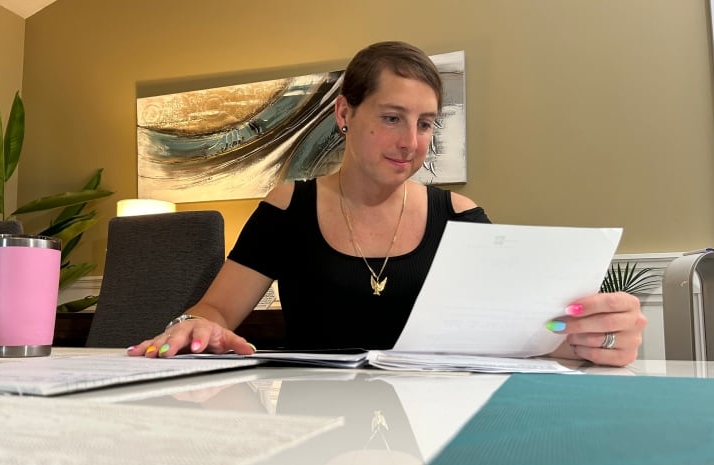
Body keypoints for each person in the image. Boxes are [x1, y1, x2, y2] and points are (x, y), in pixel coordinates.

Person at [128, 41, 646, 367]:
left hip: (433, 420)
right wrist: (195, 325)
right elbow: (217, 309)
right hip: (313, 423)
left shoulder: (462, 217)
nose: (411, 142)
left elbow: (514, 335)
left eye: (425, 124)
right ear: (344, 112)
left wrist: (589, 339)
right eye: (392, 117)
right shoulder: (289, 206)